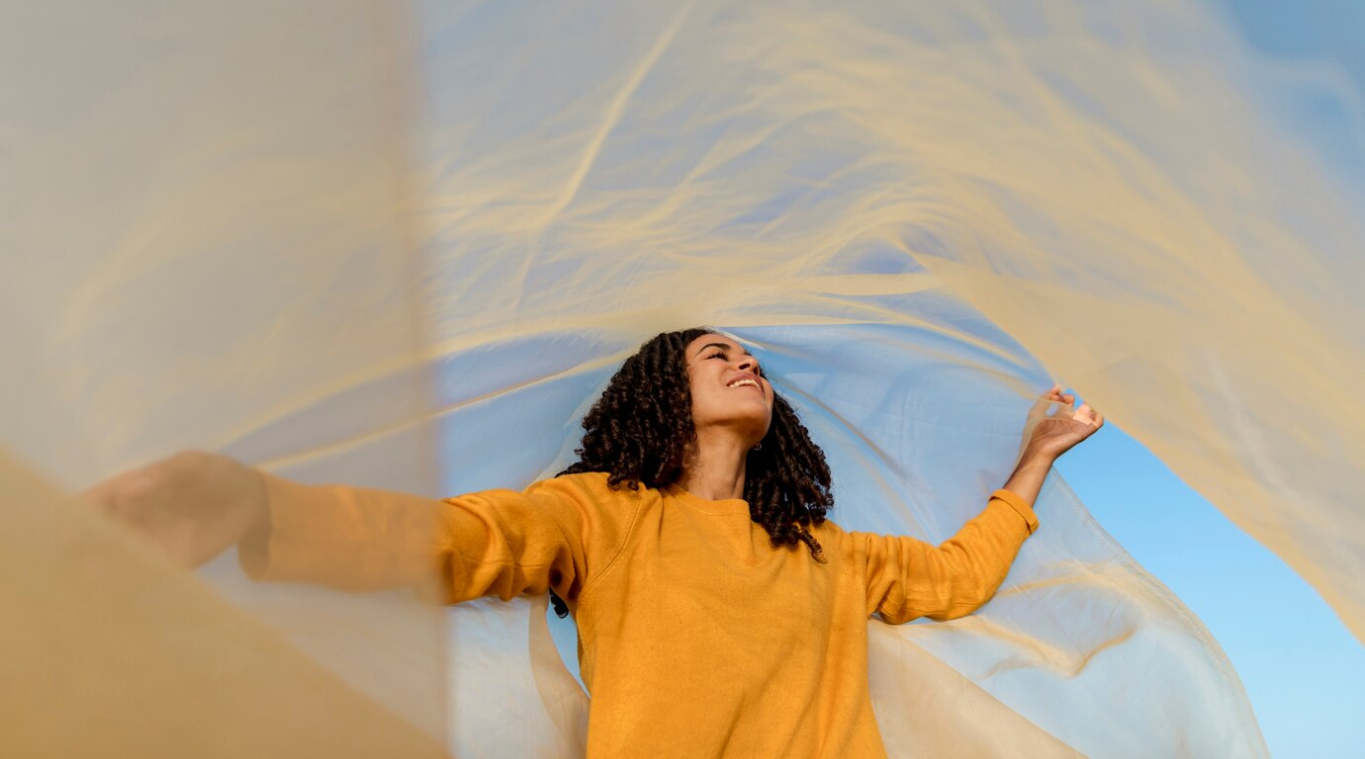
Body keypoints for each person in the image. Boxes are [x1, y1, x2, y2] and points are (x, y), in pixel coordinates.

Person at [84, 327, 1104, 758]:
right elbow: (452, 541)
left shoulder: (830, 553)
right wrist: (257, 507)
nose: (746, 363)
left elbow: (960, 575)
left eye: (753, 358)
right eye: (718, 354)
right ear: (664, 393)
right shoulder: (598, 513)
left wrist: (1037, 458)